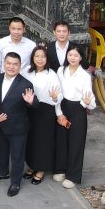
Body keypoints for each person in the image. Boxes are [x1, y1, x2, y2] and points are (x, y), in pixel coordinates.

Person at [0, 52, 36, 197]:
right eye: (8, 63)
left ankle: (15, 183)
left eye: (15, 64)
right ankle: (2, 173)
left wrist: (31, 102)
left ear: (20, 66)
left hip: (17, 127)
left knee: (17, 156)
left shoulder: (26, 84)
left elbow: (35, 104)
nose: (11, 66)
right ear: (4, 63)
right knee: (1, 151)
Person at [55, 47, 96, 188]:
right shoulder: (61, 70)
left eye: (76, 55)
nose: (72, 58)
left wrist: (87, 102)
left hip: (78, 109)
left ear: (81, 58)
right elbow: (57, 92)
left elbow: (89, 98)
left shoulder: (84, 75)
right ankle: (60, 169)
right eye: (70, 55)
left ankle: (72, 175)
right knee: (61, 140)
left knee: (76, 142)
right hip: (63, 105)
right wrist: (59, 112)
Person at [23, 46, 62, 185]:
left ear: (47, 59)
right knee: (31, 139)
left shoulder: (51, 75)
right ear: (33, 58)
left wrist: (55, 97)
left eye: (43, 56)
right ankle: (32, 165)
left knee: (43, 141)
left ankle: (41, 169)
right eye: (37, 56)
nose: (40, 59)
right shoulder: (27, 72)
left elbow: (58, 96)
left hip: (45, 111)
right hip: (30, 110)